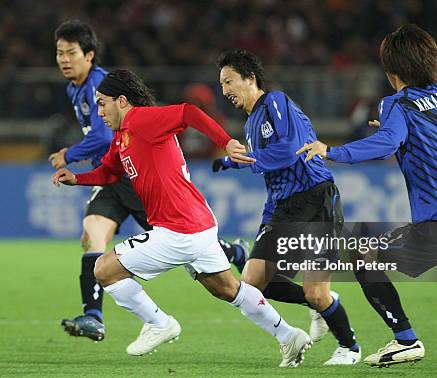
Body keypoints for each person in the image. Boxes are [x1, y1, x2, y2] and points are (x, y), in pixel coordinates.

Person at [52, 69, 312, 367]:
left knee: (104, 269)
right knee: (228, 289)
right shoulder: (121, 137)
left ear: (121, 101)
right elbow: (110, 172)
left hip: (179, 229)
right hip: (199, 224)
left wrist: (226, 141)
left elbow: (188, 112)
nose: (98, 112)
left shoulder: (143, 119)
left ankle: (159, 323)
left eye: (102, 103)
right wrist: (77, 178)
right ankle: (288, 335)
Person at [297, 24, 437, 367]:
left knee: (363, 255)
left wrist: (331, 151)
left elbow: (387, 143)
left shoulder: (396, 104)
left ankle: (405, 340)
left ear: (391, 69)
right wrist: (396, 133)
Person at [216, 49, 361, 365]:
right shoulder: (252, 124)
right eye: (221, 84)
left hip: (316, 199)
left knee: (316, 293)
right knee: (252, 287)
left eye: (229, 81)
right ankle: (307, 321)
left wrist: (235, 160)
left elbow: (290, 149)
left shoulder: (275, 102)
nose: (224, 90)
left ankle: (349, 348)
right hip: (284, 207)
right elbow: (273, 170)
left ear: (250, 78)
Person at [50, 20, 153, 341]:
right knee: (92, 234)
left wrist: (69, 154)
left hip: (132, 175)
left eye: (71, 52)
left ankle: (228, 253)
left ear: (90, 55)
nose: (64, 59)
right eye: (59, 53)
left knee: (185, 247)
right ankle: (93, 316)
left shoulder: (99, 86)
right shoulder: (74, 87)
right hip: (108, 177)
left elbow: (103, 135)